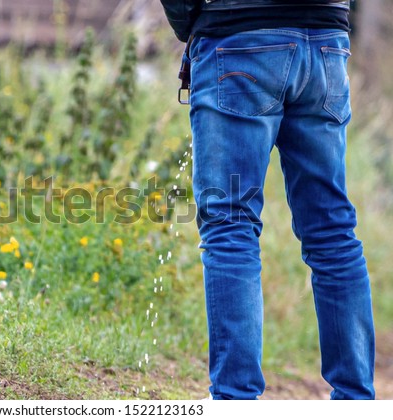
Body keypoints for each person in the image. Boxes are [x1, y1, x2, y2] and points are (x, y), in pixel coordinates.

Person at [160, 0, 375, 400]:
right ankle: (356, 401)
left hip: (237, 35)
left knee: (230, 224)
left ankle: (235, 400)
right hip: (326, 40)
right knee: (332, 230)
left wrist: (191, 22)